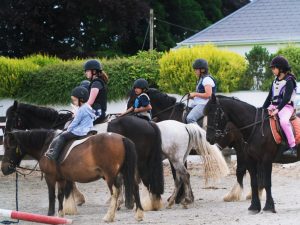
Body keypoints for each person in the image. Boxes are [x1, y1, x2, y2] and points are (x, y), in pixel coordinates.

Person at [45, 86, 95, 161]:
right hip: (89, 129)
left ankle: (54, 154)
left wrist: (68, 129)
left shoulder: (81, 109)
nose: (73, 102)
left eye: (74, 100)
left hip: (81, 131)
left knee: (62, 136)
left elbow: (75, 122)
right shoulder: (88, 107)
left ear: (81, 100)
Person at [263, 55, 297, 157]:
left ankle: (292, 147)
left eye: (274, 68)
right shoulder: (275, 81)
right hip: (273, 106)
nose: (272, 70)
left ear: (281, 68)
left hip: (286, 107)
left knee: (283, 121)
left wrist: (277, 110)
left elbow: (286, 98)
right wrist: (262, 109)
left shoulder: (289, 81)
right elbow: (269, 97)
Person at [186, 59, 216, 123]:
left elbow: (208, 95)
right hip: (198, 103)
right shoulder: (201, 79)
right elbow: (201, 93)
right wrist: (193, 97)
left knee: (190, 118)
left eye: (196, 69)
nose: (195, 71)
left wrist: (195, 94)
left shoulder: (207, 79)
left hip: (205, 104)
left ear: (202, 70)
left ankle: (199, 133)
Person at [84, 59, 108, 124]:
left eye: (87, 71)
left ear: (94, 71)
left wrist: (80, 111)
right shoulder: (98, 81)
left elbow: (90, 102)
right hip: (97, 111)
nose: (85, 73)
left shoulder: (96, 83)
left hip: (97, 113)